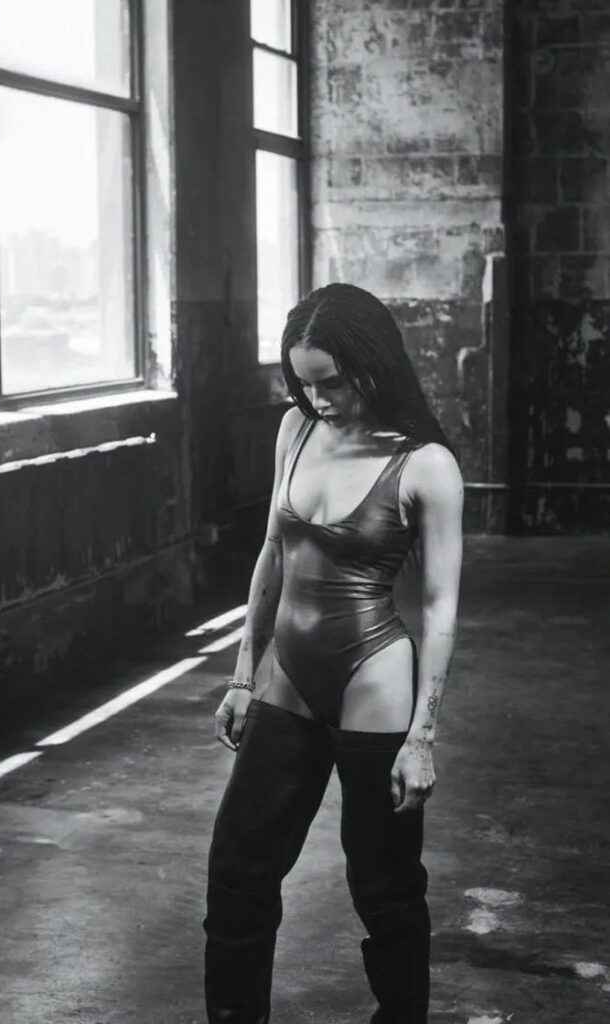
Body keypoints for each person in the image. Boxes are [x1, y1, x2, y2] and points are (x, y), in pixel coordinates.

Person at [203, 283, 464, 1024]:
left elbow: (440, 605)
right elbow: (272, 553)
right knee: (238, 867)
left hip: (373, 677)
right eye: (304, 384)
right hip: (287, 673)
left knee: (383, 884)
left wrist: (422, 736)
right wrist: (242, 676)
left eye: (334, 382)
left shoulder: (426, 465)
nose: (318, 400)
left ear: (375, 365)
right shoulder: (295, 430)